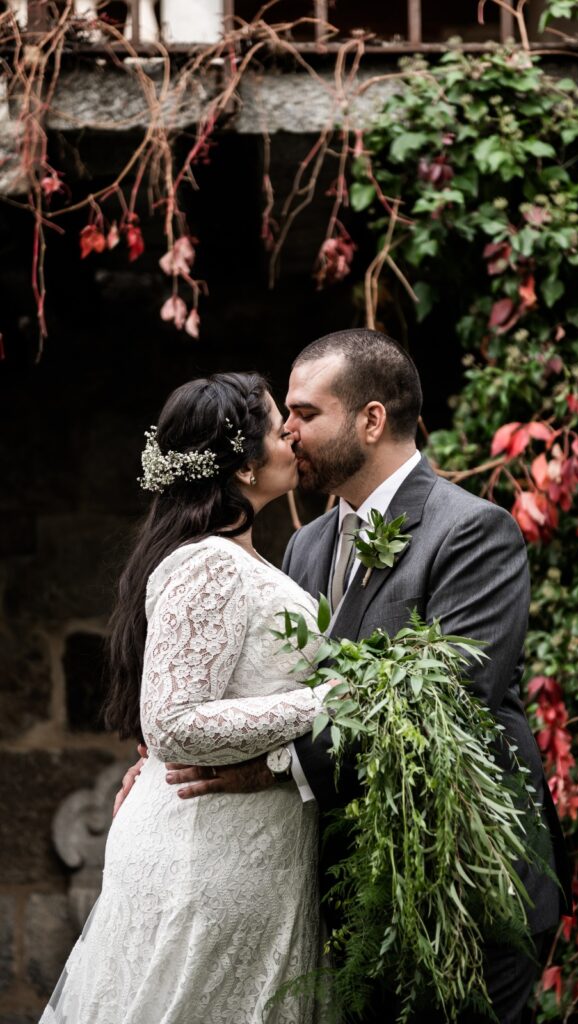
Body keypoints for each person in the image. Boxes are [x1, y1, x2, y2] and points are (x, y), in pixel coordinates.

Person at [122, 331, 572, 1022]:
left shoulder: (470, 532)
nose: (288, 432)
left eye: (304, 413)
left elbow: (444, 705)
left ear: (369, 420)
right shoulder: (307, 543)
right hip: (356, 890)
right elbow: (262, 681)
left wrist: (272, 768)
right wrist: (163, 753)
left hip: (465, 882)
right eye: (287, 417)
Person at [40, 372, 338, 1024]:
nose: (289, 433)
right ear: (241, 463)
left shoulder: (242, 558)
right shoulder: (209, 562)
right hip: (207, 860)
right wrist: (327, 704)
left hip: (243, 849)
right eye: (273, 423)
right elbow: (173, 723)